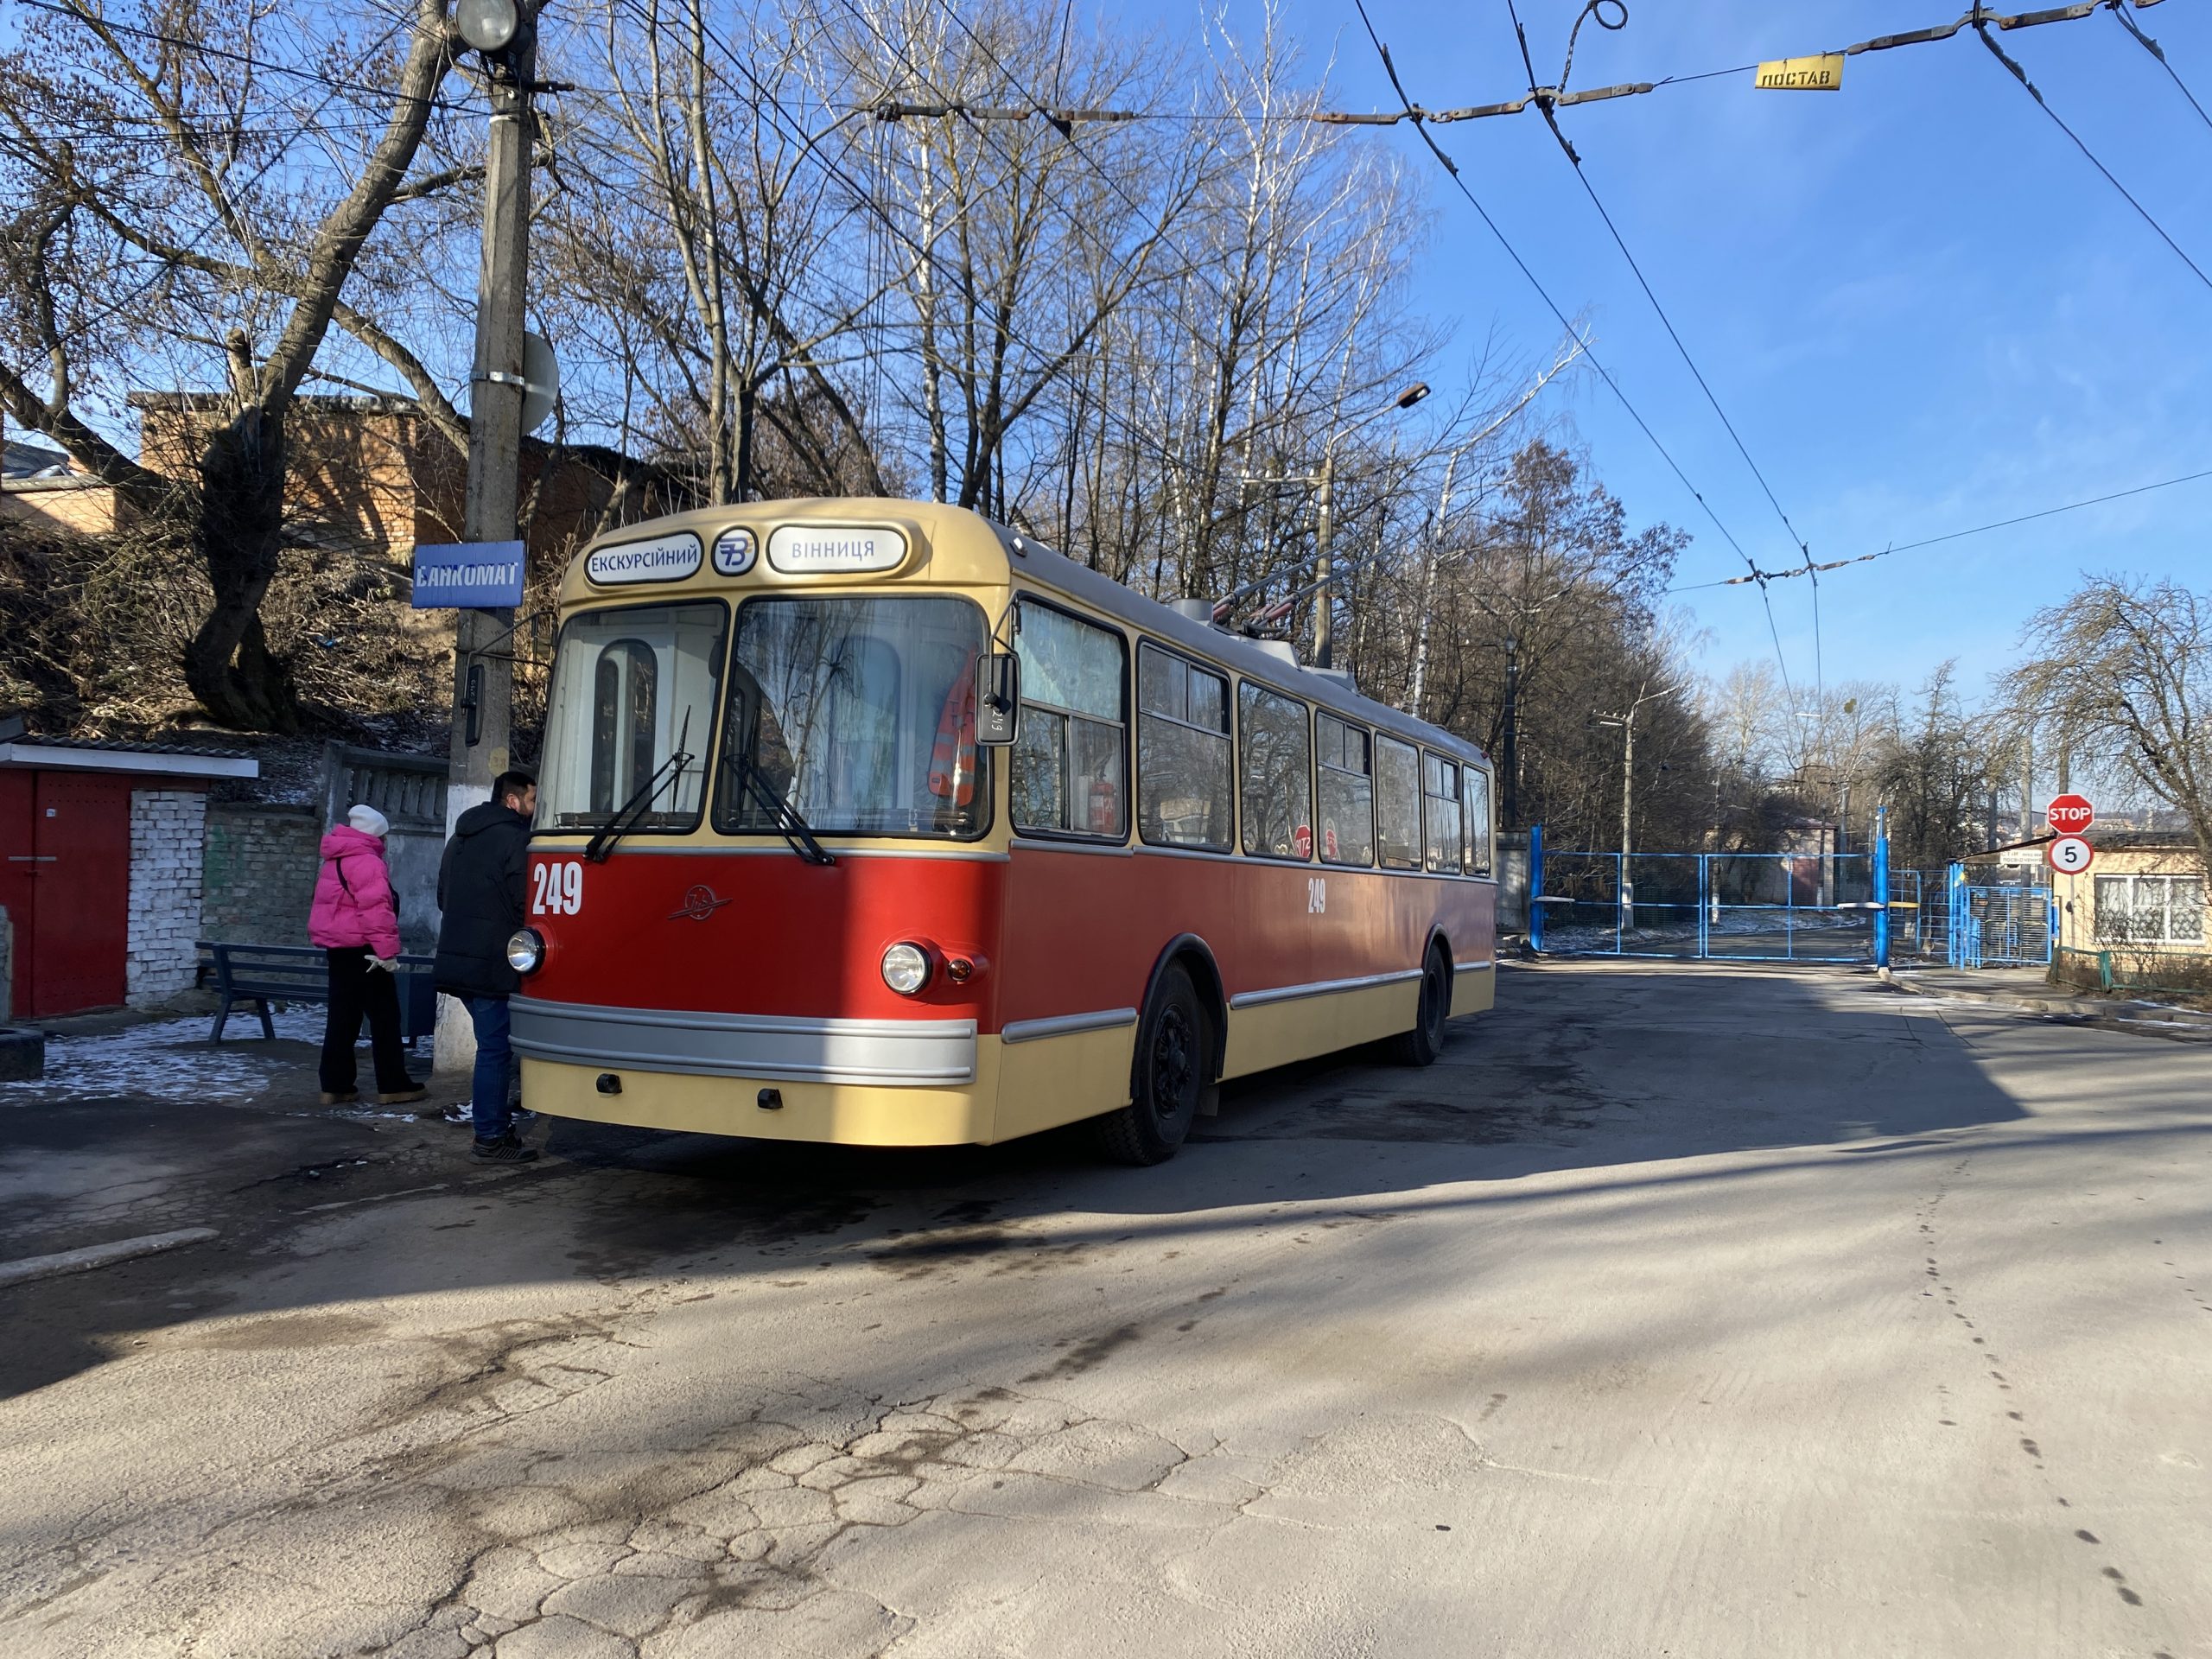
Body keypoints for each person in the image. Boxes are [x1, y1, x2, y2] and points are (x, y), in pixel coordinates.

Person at [434, 768, 539, 1163]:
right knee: (495, 1050)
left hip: (456, 960)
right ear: (512, 801)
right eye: (531, 800)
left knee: (491, 1046)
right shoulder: (516, 839)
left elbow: (442, 896)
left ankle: (495, 1128)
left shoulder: (458, 838)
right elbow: (525, 904)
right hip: (493, 963)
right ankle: (490, 1137)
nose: (533, 808)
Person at [309, 804, 424, 1108]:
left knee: (342, 1018)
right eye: (384, 836)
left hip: (338, 949)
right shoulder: (367, 862)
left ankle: (335, 1085)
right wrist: (387, 953)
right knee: (386, 1018)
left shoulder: (334, 858)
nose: (386, 842)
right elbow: (376, 912)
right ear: (375, 835)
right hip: (365, 952)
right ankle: (394, 1084)